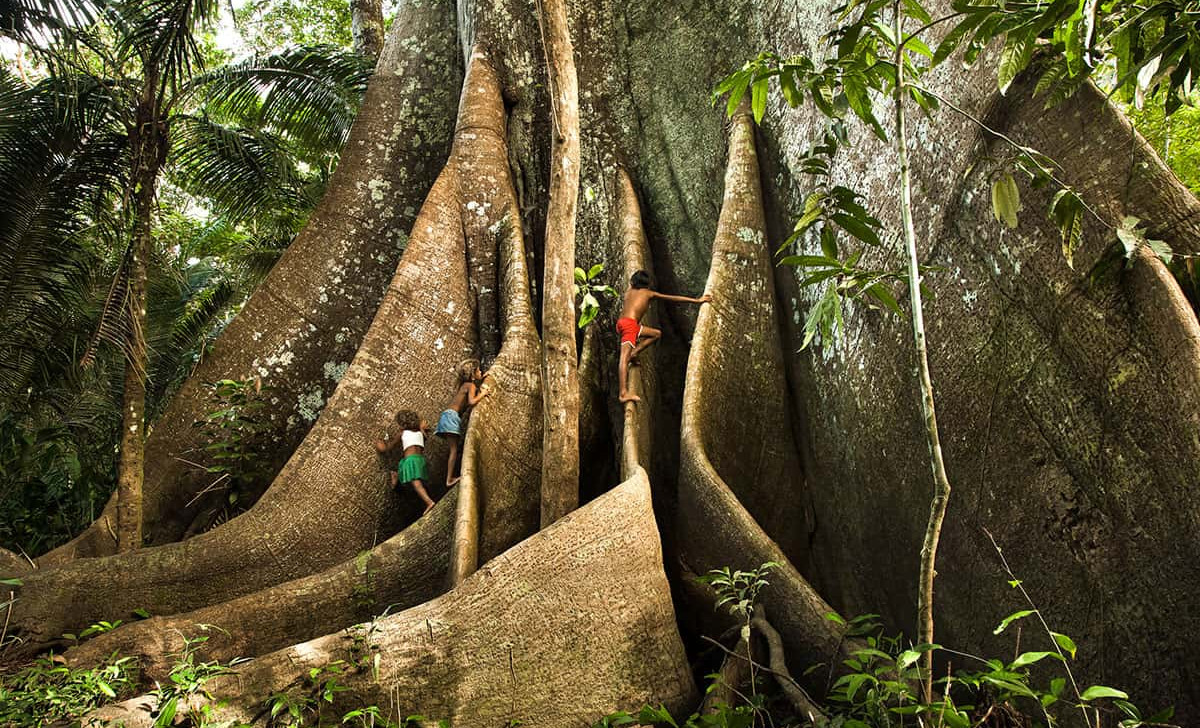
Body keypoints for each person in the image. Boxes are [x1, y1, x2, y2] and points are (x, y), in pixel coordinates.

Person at [617, 269, 712, 403]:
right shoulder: (649, 293)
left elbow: (634, 283)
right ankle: (623, 393)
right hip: (630, 326)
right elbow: (673, 298)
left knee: (656, 334)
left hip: (623, 323)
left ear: (633, 282)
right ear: (647, 285)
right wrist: (697, 301)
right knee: (623, 359)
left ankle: (635, 352)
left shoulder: (629, 291)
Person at [435, 359, 491, 486]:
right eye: (478, 370)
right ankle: (449, 480)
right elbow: (472, 402)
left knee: (454, 448)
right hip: (451, 417)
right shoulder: (470, 386)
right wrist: (483, 394)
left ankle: (450, 477)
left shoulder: (466, 385)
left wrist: (482, 378)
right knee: (454, 449)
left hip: (447, 416)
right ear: (472, 374)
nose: (481, 371)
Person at [375, 409, 435, 515]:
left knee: (416, 483)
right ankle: (396, 475)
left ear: (402, 425)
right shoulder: (420, 432)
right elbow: (424, 439)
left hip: (411, 461)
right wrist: (422, 428)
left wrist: (381, 445)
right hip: (420, 460)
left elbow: (389, 447)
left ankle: (429, 502)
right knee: (404, 466)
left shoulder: (402, 433)